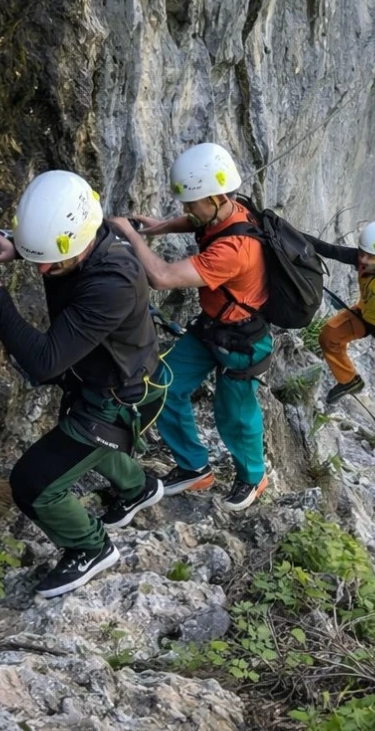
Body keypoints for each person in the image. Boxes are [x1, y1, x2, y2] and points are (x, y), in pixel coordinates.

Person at [0, 171, 167, 599]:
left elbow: (44, 361)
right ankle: (139, 488)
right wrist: (20, 247)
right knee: (88, 445)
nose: (43, 270)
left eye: (52, 261)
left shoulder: (113, 283)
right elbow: (60, 249)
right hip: (109, 380)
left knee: (32, 483)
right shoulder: (90, 235)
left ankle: (90, 546)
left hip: (115, 399)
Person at [109, 142, 271, 512]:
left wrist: (133, 236)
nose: (186, 210)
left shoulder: (234, 250)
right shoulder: (229, 211)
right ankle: (194, 468)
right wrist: (161, 226)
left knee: (234, 412)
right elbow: (200, 221)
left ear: (216, 198)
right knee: (164, 384)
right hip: (212, 328)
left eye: (191, 203)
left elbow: (162, 277)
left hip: (243, 340)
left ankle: (253, 476)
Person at [306, 220, 375, 432]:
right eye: (361, 253)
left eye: (368, 256)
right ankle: (349, 380)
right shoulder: (367, 260)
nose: (362, 259)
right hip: (366, 314)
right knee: (329, 336)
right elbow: (330, 250)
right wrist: (288, 231)